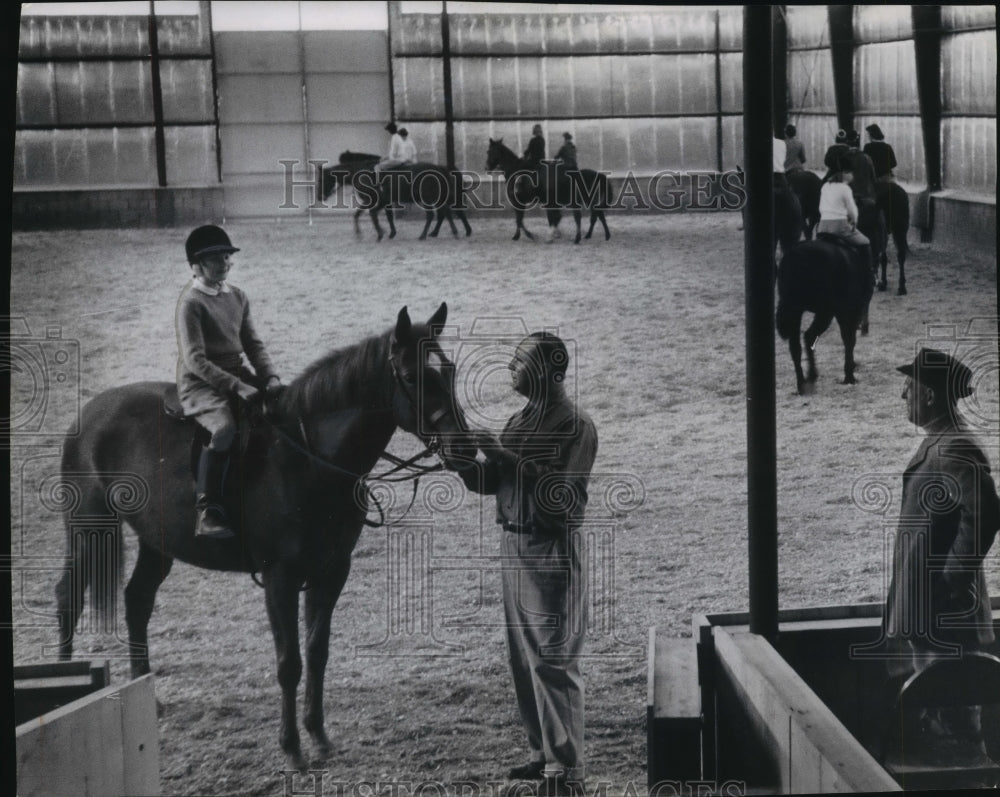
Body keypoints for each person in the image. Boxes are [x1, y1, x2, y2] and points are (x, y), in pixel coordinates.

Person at [459, 332, 598, 797]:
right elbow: (493, 481)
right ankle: (543, 754)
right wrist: (461, 463)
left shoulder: (575, 426)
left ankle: (566, 771)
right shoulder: (521, 420)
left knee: (553, 661)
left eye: (521, 360)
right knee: (523, 659)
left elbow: (565, 501)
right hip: (514, 548)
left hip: (550, 551)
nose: (511, 367)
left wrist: (504, 455)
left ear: (549, 372)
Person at [882, 348, 1000, 764]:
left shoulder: (955, 447)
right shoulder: (942, 442)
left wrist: (946, 584)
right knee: (939, 716)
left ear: (930, 395)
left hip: (947, 616)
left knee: (956, 726)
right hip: (934, 614)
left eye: (909, 388)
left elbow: (984, 516)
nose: (903, 395)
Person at [176, 224, 281, 539]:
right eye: (216, 259)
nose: (225, 263)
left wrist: (270, 377)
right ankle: (208, 510)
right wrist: (238, 387)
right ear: (197, 265)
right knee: (224, 429)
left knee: (281, 411)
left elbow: (253, 344)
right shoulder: (191, 303)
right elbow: (195, 359)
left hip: (237, 373)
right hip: (200, 382)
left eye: (226, 257)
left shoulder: (237, 295)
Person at [816, 158, 871, 269]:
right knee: (866, 242)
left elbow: (820, 208)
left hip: (822, 226)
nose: (852, 175)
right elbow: (853, 211)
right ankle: (868, 275)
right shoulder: (845, 188)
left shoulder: (825, 186)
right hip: (839, 226)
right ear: (844, 173)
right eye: (851, 173)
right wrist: (854, 222)